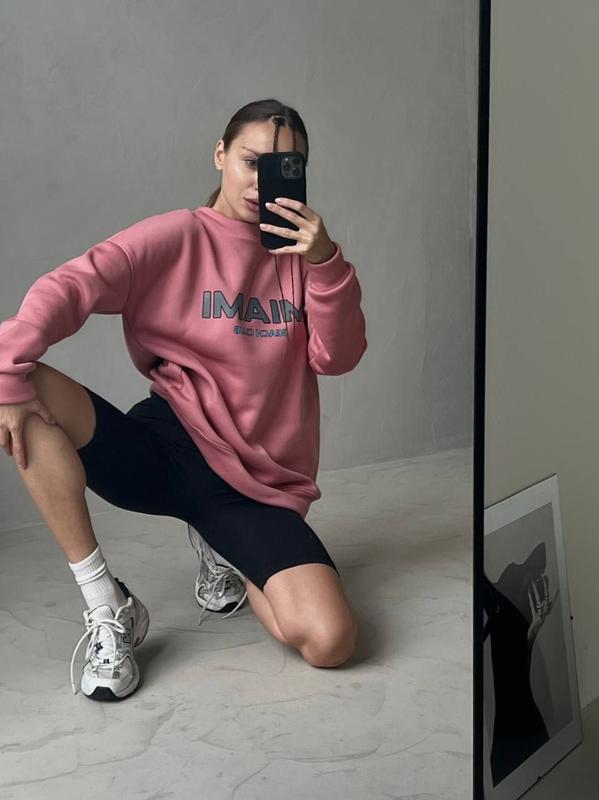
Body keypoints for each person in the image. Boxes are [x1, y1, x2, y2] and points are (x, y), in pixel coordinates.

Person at [0, 98, 368, 701]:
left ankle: (224, 546)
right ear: (220, 154)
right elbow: (72, 284)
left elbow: (339, 357)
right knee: (16, 384)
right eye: (250, 161)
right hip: (166, 448)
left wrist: (325, 262)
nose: (262, 181)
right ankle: (107, 603)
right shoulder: (178, 236)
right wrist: (6, 367)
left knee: (330, 641)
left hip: (255, 487)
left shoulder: (304, 259)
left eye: (284, 167)